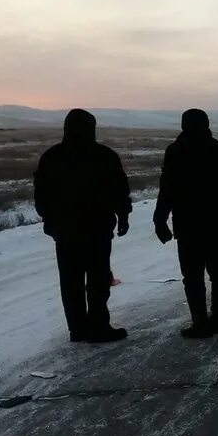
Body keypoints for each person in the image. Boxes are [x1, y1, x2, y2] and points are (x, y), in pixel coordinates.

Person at [33, 109, 132, 343]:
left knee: (70, 282)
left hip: (65, 232)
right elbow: (120, 191)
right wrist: (123, 216)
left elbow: (41, 196)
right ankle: (98, 328)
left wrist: (50, 221)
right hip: (97, 229)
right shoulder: (104, 156)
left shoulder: (51, 157)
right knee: (98, 280)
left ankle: (77, 329)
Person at [153, 109, 218, 338]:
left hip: (187, 225)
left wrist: (160, 219)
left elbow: (167, 190)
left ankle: (200, 323)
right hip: (216, 223)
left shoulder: (175, 151)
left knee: (193, 277)